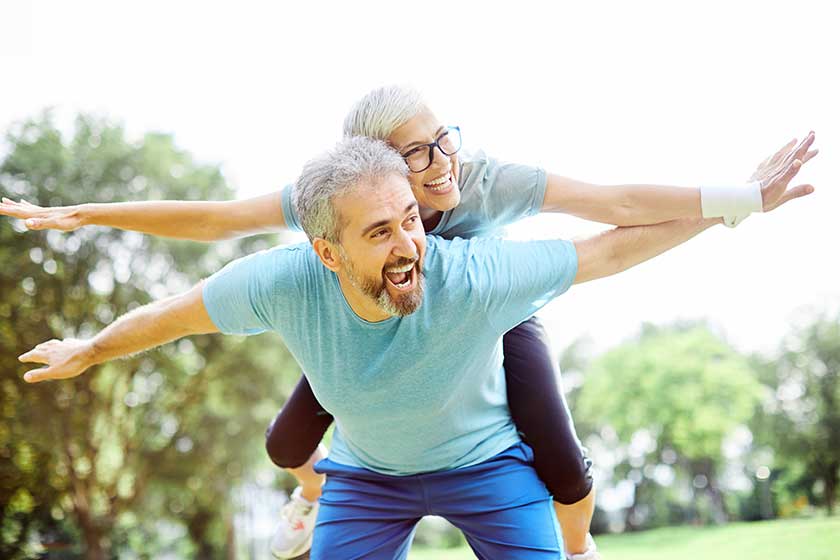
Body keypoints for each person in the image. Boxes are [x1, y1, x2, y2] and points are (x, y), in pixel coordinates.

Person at [2, 86, 817, 559]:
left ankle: (576, 541)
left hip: (478, 342)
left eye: (440, 145)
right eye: (414, 157)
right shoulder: (316, 218)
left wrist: (737, 203)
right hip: (365, 405)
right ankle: (315, 495)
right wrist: (88, 239)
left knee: (553, 441)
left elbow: (615, 221)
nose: (440, 167)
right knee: (292, 436)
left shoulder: (486, 203)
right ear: (333, 229)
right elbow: (205, 246)